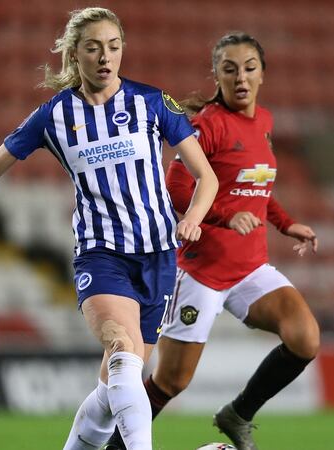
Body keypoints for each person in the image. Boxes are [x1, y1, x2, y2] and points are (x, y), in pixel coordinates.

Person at [0, 8, 217, 450]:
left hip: (159, 255)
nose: (105, 57)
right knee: (122, 346)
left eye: (113, 46)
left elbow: (207, 177)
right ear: (75, 54)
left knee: (114, 389)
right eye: (93, 48)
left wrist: (192, 218)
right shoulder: (54, 115)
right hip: (101, 253)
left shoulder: (150, 102)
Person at [102, 32, 320, 450]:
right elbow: (177, 188)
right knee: (170, 382)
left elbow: (256, 188)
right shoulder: (208, 125)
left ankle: (237, 415)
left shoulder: (265, 123)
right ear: (216, 74)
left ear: (262, 75)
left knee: (305, 337)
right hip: (201, 273)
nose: (240, 77)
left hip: (250, 268)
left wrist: (286, 223)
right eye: (230, 68)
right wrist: (222, 215)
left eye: (249, 68)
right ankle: (112, 445)